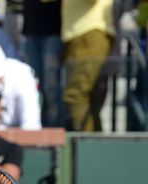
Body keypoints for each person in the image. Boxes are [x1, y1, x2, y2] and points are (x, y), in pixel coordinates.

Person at [62, 0, 114, 131]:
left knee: (76, 95)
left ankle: (87, 147)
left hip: (91, 33)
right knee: (87, 97)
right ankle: (94, 145)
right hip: (75, 36)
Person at [22, 0, 61, 127]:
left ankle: (52, 132)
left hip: (54, 30)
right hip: (30, 30)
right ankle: (34, 127)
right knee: (30, 85)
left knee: (51, 88)